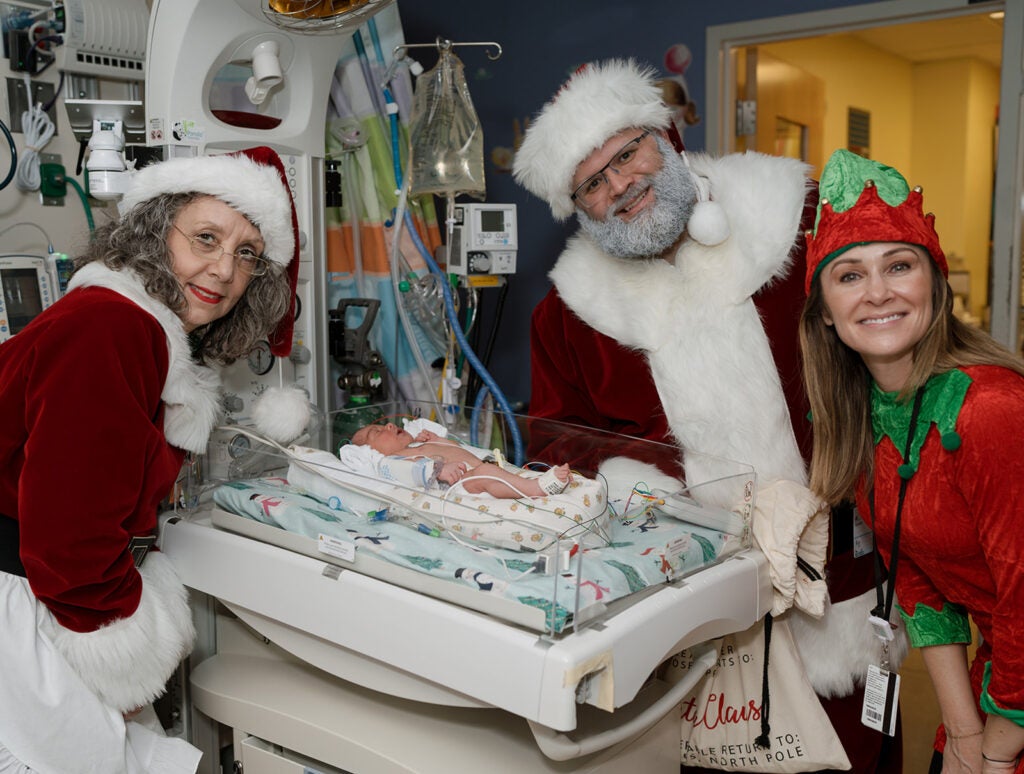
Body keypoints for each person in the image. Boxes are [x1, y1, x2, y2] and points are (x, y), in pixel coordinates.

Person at [512, 58, 902, 772]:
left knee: (853, 754)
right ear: (580, 208)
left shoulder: (796, 218)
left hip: (840, 581)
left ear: (666, 139)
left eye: (627, 154)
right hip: (689, 611)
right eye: (593, 182)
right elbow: (557, 445)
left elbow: (893, 338)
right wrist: (679, 497)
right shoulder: (566, 315)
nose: (621, 185)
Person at [0, 146, 299, 773]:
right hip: (30, 601)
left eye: (246, 253)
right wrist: (122, 641)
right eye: (206, 237)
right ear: (152, 232)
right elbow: (68, 536)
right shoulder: (110, 327)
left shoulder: (140, 328)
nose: (222, 269)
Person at [801, 149, 1024, 774]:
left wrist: (999, 752)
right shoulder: (863, 419)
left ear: (935, 283)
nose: (878, 293)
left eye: (899, 266)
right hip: (999, 685)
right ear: (824, 309)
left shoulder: (992, 410)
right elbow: (919, 577)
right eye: (849, 276)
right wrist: (960, 732)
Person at [351, 421, 572, 498]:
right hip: (460, 484)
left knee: (494, 472)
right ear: (373, 453)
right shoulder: (392, 460)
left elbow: (457, 450)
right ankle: (535, 489)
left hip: (474, 470)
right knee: (489, 474)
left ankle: (531, 482)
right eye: (378, 432)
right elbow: (414, 472)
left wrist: (438, 440)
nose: (389, 425)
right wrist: (438, 471)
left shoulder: (417, 446)